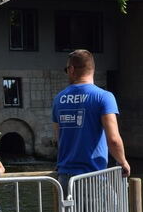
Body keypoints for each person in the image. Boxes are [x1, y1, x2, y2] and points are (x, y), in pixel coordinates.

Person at [52, 49, 131, 192]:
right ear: (92, 69)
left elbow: (59, 137)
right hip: (93, 177)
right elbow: (113, 139)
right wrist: (123, 162)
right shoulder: (104, 97)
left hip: (64, 178)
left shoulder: (58, 99)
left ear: (71, 69)